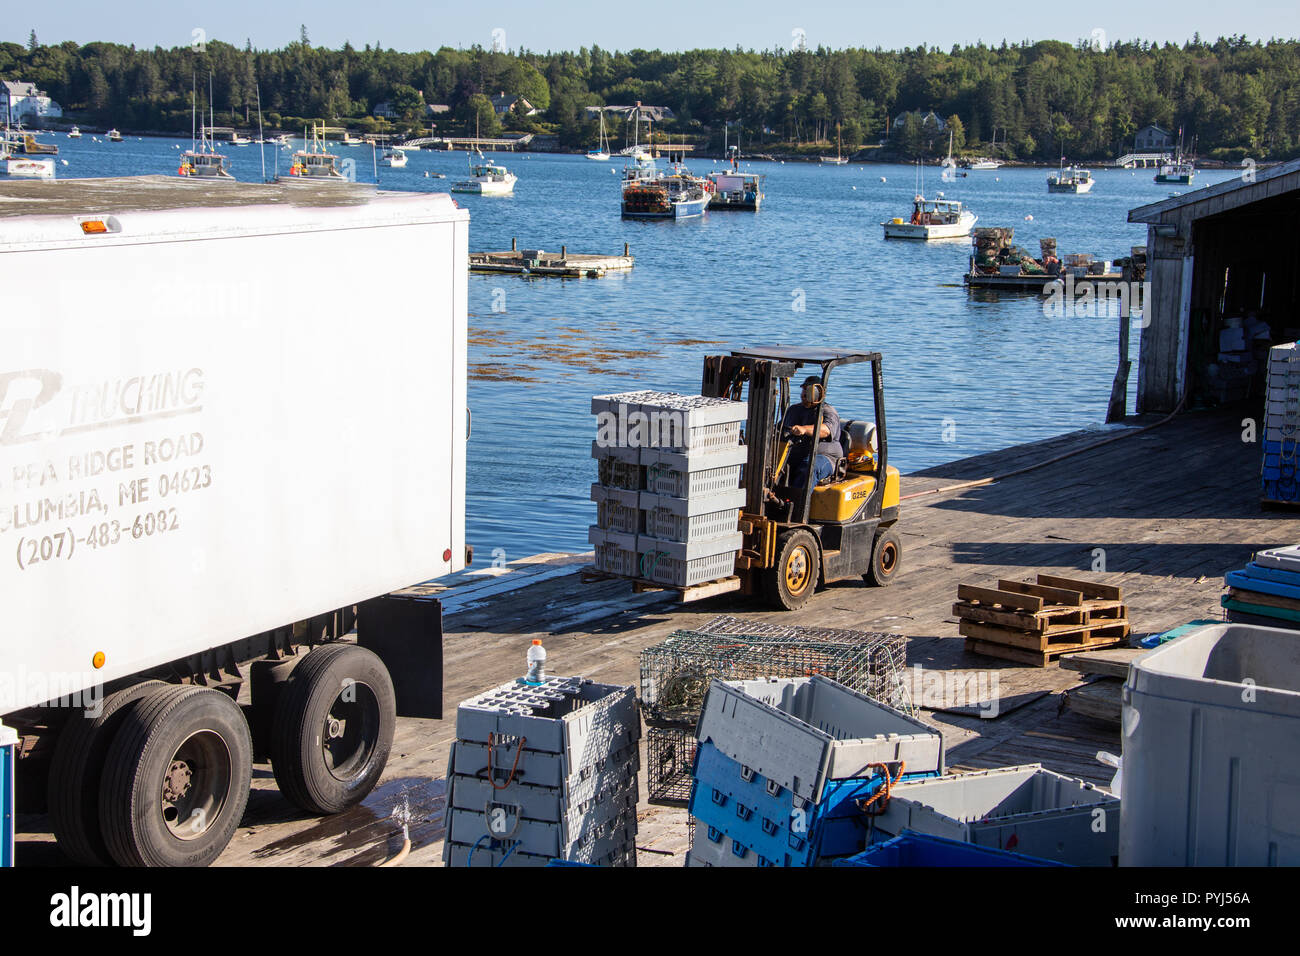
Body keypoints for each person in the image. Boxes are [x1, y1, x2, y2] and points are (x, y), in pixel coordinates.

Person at [782, 375, 841, 487]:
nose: (804, 394)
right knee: (771, 466)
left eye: (808, 391)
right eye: (804, 390)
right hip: (797, 453)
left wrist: (804, 429)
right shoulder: (794, 410)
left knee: (808, 467)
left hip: (824, 457)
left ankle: (798, 503)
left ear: (818, 392)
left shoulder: (827, 411)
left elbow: (826, 430)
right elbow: (781, 428)